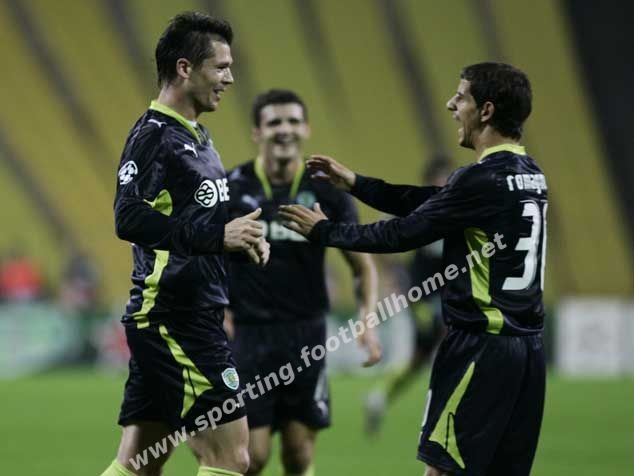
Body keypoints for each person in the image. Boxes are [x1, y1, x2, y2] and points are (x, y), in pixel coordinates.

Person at [280, 63, 547, 476]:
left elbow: (401, 233)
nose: (451, 105)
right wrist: (357, 184)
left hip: (480, 351)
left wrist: (325, 231)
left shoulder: (478, 180)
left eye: (461, 97)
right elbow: (427, 201)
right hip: (527, 354)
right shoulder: (531, 176)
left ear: (487, 110)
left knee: (441, 470)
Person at [102, 12, 270, 476]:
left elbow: (194, 223)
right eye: (221, 67)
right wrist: (218, 236)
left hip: (187, 313)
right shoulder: (154, 136)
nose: (229, 78)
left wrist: (238, 240)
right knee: (232, 457)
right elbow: (128, 215)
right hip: (173, 317)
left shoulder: (197, 135)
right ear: (184, 68)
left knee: (140, 463)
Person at [226, 89, 382, 476]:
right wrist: (218, 311)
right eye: (275, 122)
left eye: (293, 121)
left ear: (306, 128)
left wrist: (367, 320)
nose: (285, 129)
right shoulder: (232, 187)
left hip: (306, 335)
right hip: (248, 334)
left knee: (298, 453)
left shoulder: (327, 191)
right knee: (252, 457)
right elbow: (206, 258)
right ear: (257, 132)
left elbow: (361, 266)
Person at [364, 158, 452, 436]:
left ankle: (379, 397)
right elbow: (382, 227)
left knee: (419, 358)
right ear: (429, 181)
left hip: (448, 294)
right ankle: (445, 412)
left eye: (448, 179)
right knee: (449, 341)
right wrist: (395, 275)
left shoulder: (457, 207)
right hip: (423, 296)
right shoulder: (422, 207)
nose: (445, 184)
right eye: (440, 179)